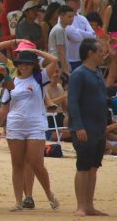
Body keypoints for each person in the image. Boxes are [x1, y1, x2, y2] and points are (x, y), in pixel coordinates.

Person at [0, 47, 60, 212]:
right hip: (15, 125)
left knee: (36, 162)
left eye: (28, 64)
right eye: (21, 63)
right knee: (17, 163)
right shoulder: (11, 82)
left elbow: (54, 61)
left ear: (33, 65)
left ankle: (49, 194)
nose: (24, 66)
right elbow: (4, 108)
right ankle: (18, 201)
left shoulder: (40, 78)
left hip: (35, 124)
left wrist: (36, 51)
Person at [68, 38, 109, 217]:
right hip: (84, 127)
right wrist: (78, 126)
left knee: (93, 166)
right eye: (100, 51)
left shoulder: (98, 72)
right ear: (90, 53)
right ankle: (81, 205)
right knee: (83, 166)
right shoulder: (79, 73)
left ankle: (89, 204)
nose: (103, 54)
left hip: (98, 127)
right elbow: (73, 102)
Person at [64, 0, 96, 71]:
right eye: (75, 0)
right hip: (70, 60)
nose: (78, 2)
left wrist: (78, 31)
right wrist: (85, 35)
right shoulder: (63, 18)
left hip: (84, 59)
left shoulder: (82, 18)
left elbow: (93, 36)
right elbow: (75, 37)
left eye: (78, 0)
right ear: (67, 2)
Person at [48, 5, 76, 76]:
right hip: (57, 65)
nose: (72, 19)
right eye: (69, 17)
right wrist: (66, 70)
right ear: (61, 16)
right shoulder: (59, 30)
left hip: (58, 63)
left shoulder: (62, 29)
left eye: (73, 16)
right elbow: (60, 52)